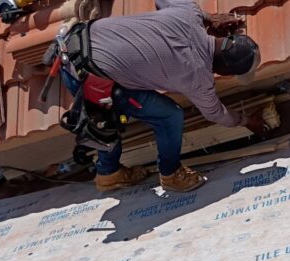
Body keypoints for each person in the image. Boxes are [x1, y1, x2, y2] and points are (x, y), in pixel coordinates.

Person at [82, 0, 268, 193]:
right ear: (227, 72)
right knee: (168, 115)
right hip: (89, 76)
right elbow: (216, 114)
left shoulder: (188, 12)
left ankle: (108, 173)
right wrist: (246, 121)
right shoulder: (198, 78)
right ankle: (170, 175)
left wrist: (207, 17)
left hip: (77, 41)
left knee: (121, 101)